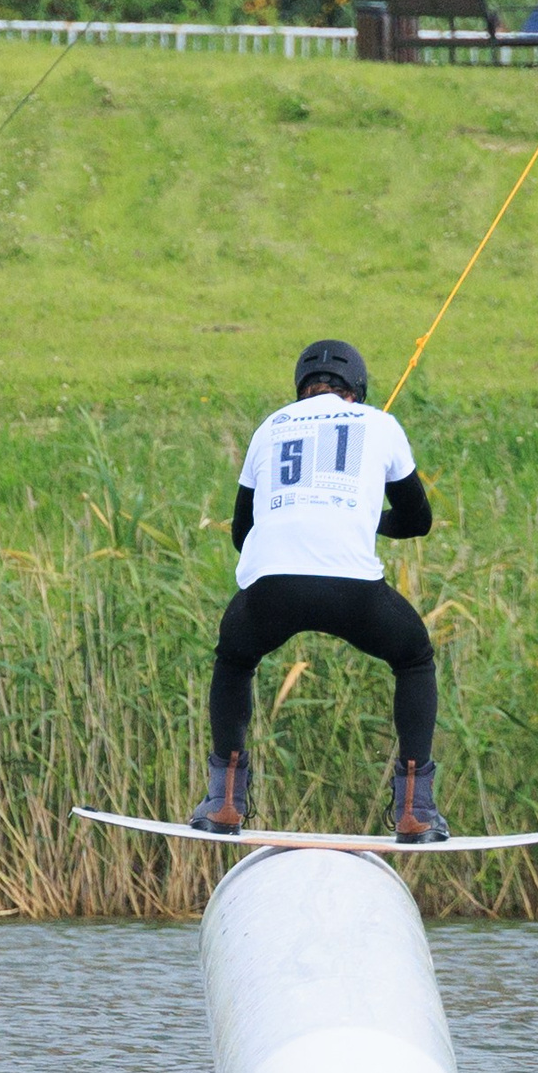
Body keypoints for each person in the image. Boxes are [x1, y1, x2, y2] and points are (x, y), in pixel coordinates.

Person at [192, 339, 448, 842]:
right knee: (413, 657)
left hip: (270, 587)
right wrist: (361, 518)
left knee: (235, 658)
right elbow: (418, 521)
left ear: (301, 387)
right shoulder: (380, 423)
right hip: (354, 591)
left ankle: (224, 802)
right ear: (357, 388)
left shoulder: (270, 427)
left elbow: (242, 532)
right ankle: (414, 809)